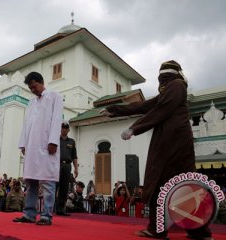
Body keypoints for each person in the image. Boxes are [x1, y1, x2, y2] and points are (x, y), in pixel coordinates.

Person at [101, 60, 212, 239]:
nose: (160, 79)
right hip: (170, 143)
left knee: (169, 185)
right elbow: (143, 106)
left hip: (173, 143)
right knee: (178, 187)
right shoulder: (170, 89)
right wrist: (113, 110)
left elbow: (162, 109)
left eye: (162, 76)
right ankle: (192, 231)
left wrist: (134, 128)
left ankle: (169, 230)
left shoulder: (176, 86)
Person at [13, 72, 63, 226]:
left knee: (47, 181)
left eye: (34, 86)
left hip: (47, 145)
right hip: (32, 146)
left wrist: (54, 140)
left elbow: (56, 119)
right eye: (30, 88)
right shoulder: (31, 103)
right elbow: (27, 123)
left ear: (41, 82)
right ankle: (29, 214)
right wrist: (23, 144)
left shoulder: (55, 96)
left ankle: (46, 216)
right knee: (30, 181)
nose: (33, 90)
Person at [56, 122, 78, 216]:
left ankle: (61, 209)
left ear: (68, 130)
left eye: (66, 128)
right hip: (56, 165)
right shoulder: (56, 140)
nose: (64, 129)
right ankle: (51, 209)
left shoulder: (72, 141)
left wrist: (76, 168)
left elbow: (74, 156)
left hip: (67, 166)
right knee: (54, 187)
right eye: (63, 128)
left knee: (64, 188)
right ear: (60, 129)